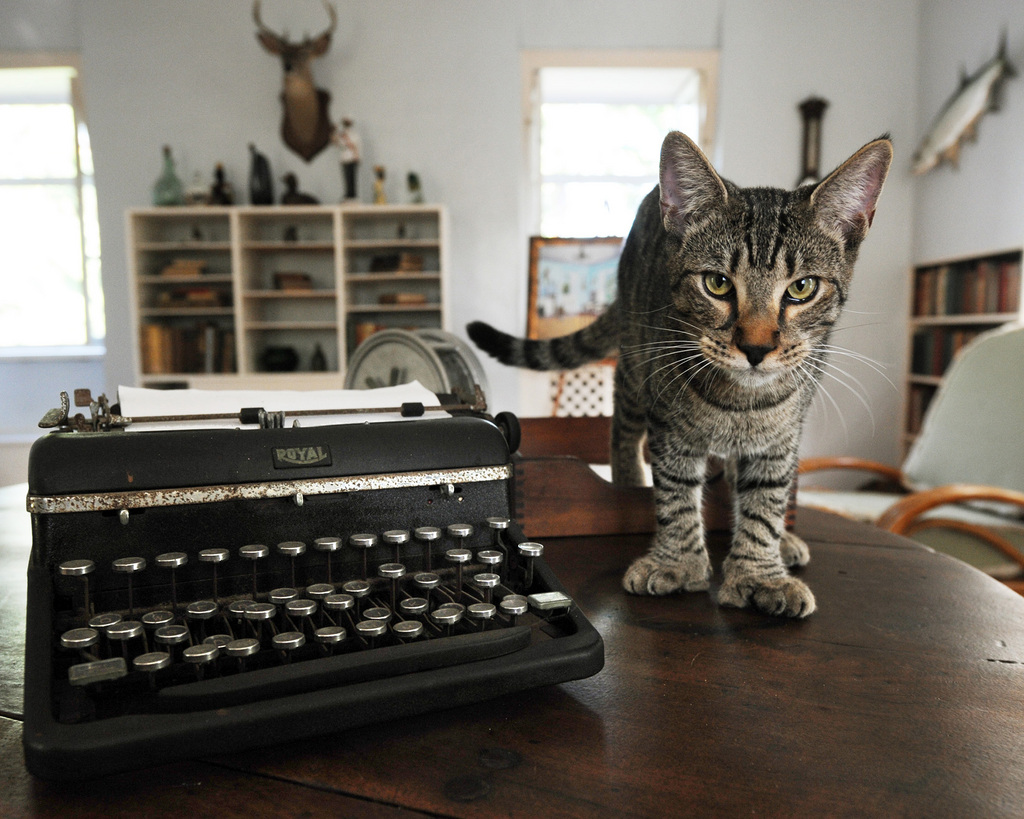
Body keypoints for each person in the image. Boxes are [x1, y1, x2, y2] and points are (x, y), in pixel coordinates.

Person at [332, 118, 361, 201]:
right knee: (346, 177)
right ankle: (348, 194)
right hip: (345, 158)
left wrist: (357, 156)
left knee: (352, 178)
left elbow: (355, 145)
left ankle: (353, 195)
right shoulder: (341, 134)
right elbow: (336, 142)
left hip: (352, 158)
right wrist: (335, 131)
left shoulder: (354, 134)